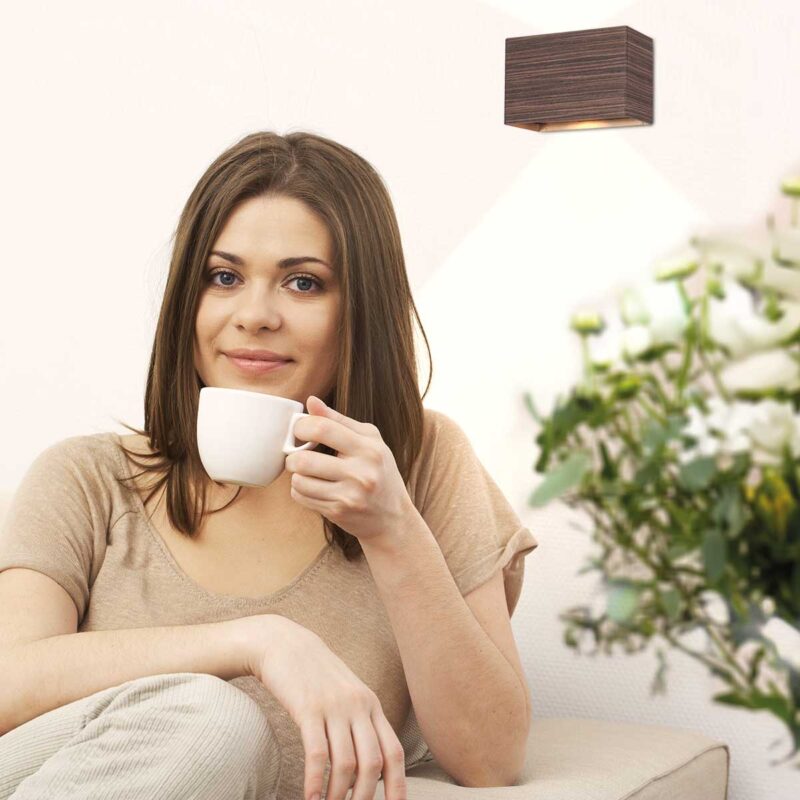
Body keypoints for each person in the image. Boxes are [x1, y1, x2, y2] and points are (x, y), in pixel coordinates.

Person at [0, 130, 539, 800]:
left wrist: (394, 532)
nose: (254, 315)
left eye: (303, 283)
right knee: (211, 721)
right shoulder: (86, 477)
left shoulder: (420, 467)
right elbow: (9, 686)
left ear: (359, 311)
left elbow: (490, 760)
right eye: (223, 278)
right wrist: (258, 643)